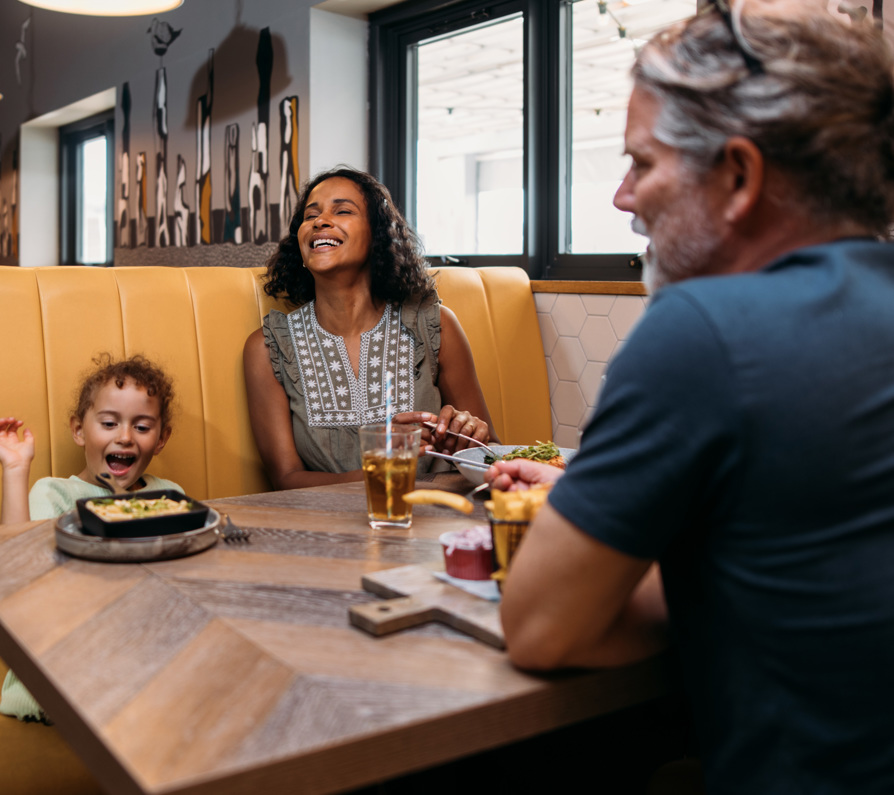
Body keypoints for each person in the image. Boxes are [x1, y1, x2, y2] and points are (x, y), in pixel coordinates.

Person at [488, 1, 894, 792]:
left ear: (739, 176)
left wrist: (666, 552)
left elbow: (541, 628)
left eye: (642, 162)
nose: (622, 197)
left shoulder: (701, 330)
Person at [244, 166, 498, 489]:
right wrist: (382, 465)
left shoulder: (435, 326)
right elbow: (285, 479)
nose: (320, 221)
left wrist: (468, 437)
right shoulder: (268, 349)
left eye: (343, 210)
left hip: (434, 523)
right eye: (311, 215)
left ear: (378, 234)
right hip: (324, 531)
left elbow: (491, 454)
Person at [0, 353, 182, 722]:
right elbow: (18, 575)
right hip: (64, 659)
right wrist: (14, 469)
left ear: (161, 437)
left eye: (142, 427)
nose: (124, 437)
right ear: (78, 430)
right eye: (109, 423)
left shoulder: (169, 494)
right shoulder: (55, 494)